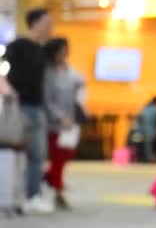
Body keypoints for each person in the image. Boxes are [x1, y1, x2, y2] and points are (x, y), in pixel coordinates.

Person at [6, 8, 54, 213]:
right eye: (46, 22)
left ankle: (30, 195)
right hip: (19, 107)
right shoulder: (19, 45)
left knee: (36, 156)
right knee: (17, 154)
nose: (50, 27)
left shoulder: (43, 50)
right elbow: (4, 68)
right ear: (34, 23)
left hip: (37, 107)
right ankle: (23, 196)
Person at [42, 37, 86, 210]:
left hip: (71, 122)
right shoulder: (48, 73)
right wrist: (59, 117)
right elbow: (47, 99)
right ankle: (57, 188)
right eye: (61, 51)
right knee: (57, 158)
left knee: (65, 156)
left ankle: (50, 180)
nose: (64, 54)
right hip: (54, 122)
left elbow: (80, 92)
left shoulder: (72, 72)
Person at [138, 96, 156, 162]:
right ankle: (151, 158)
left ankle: (148, 158)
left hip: (144, 131)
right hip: (153, 131)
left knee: (147, 145)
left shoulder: (145, 108)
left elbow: (139, 117)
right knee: (152, 145)